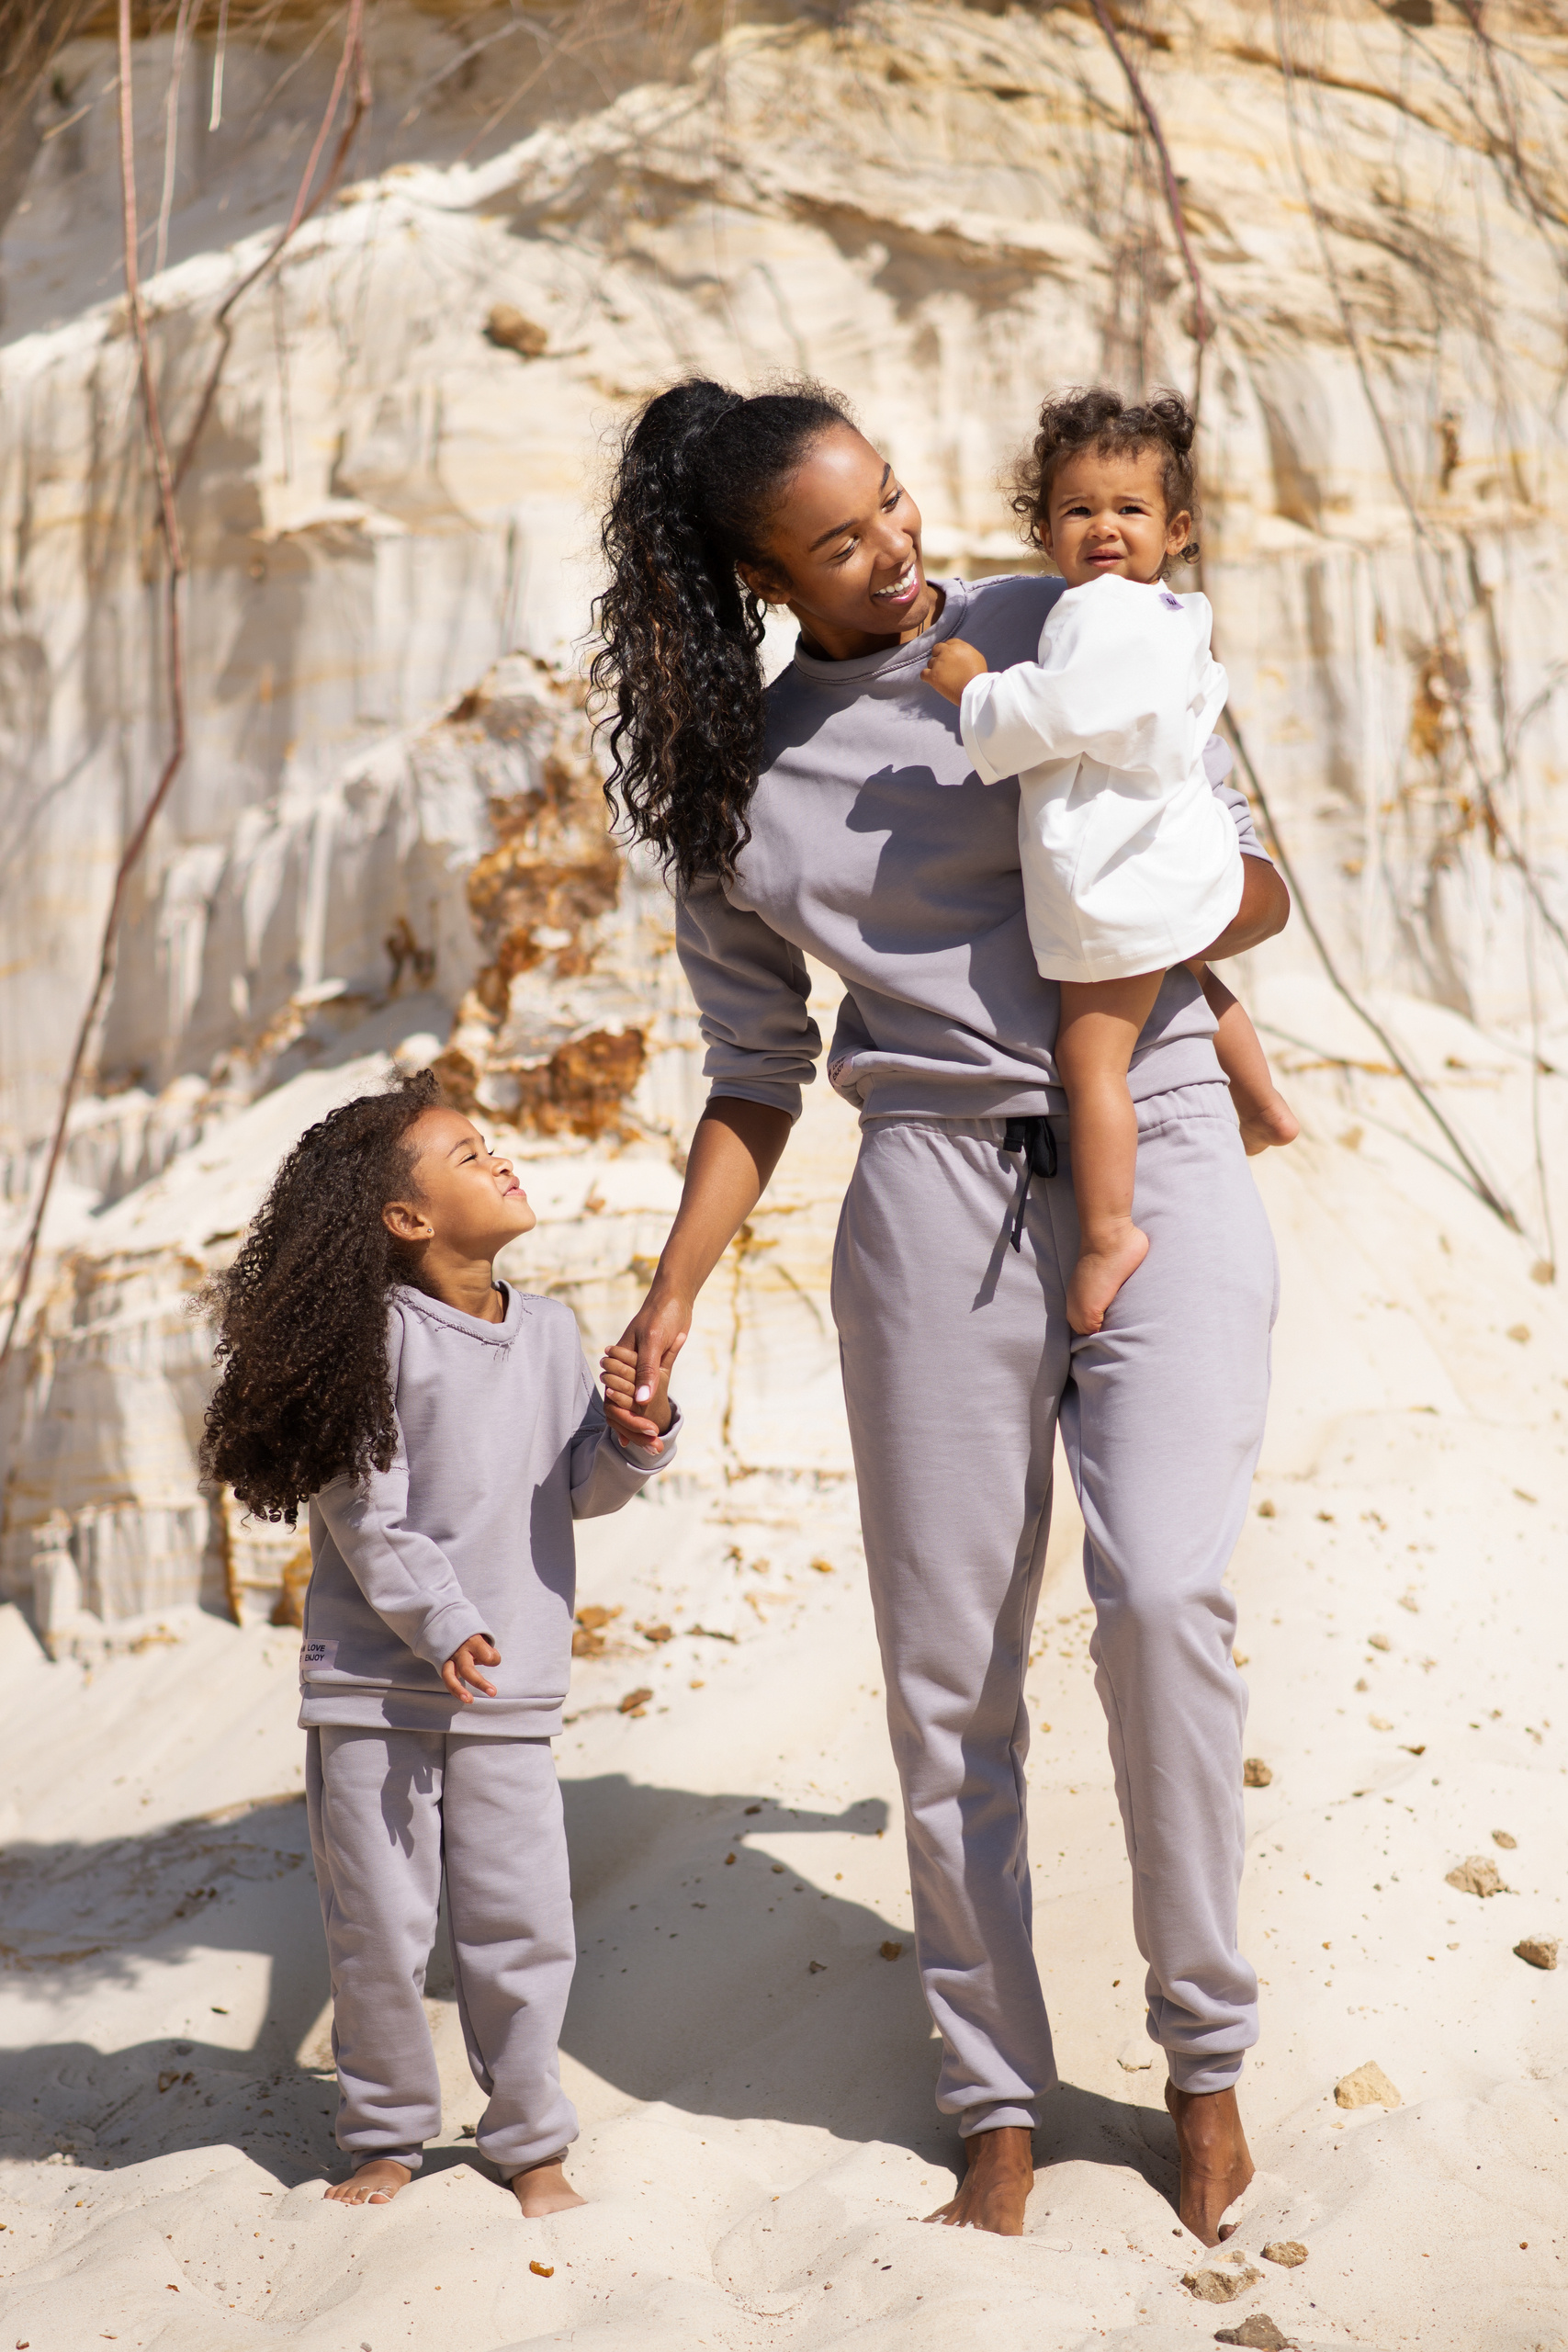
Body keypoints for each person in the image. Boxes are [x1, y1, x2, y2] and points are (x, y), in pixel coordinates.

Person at [591, 377, 1289, 2245]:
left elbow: (1252, 879)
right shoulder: (742, 785)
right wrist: (667, 1295)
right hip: (927, 1194)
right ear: (757, 578)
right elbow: (753, 1072)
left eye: (894, 502)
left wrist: (1159, 926)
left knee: (1162, 1600)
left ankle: (1204, 2063)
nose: (897, 551)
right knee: (947, 1676)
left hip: (1156, 1138)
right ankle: (991, 2098)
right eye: (839, 543)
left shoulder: (1064, 613)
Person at [199, 1069, 678, 2213]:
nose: (499, 1158)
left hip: (508, 1686)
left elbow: (579, 1488)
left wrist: (636, 1433)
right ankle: (386, 2134)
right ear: (406, 1217)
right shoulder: (369, 1339)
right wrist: (444, 1621)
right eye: (469, 1154)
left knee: (524, 1925)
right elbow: (364, 1511)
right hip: (374, 1690)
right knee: (379, 1927)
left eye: (491, 1143)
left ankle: (530, 2140)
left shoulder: (553, 1329)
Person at [922, 387, 1296, 1334]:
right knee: (1185, 968)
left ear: (1176, 530)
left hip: (1126, 870)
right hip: (1173, 853)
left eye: (1129, 509)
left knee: (1090, 1058)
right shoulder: (1166, 613)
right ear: (1043, 530)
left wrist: (977, 690)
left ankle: (1107, 1232)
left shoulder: (1105, 614)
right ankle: (1260, 1103)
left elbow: (1061, 712)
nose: (1103, 527)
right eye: (1077, 509)